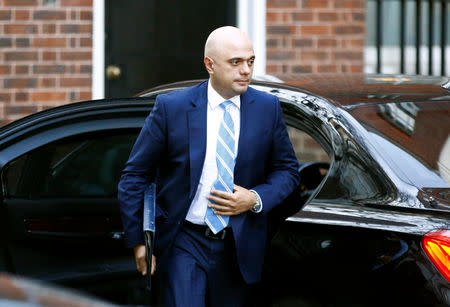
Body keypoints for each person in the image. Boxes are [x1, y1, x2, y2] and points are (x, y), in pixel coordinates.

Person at [118, 26, 300, 307]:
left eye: (250, 61)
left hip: (239, 245)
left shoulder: (267, 108)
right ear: (209, 64)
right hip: (184, 239)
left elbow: (288, 171)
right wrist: (139, 240)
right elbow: (135, 175)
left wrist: (255, 199)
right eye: (235, 62)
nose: (245, 71)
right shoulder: (172, 108)